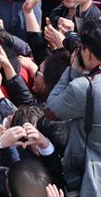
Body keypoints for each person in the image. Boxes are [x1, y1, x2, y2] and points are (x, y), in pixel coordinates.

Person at [45, 19, 101, 196]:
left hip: (92, 174)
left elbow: (51, 110)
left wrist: (72, 71)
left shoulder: (85, 87)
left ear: (89, 53)